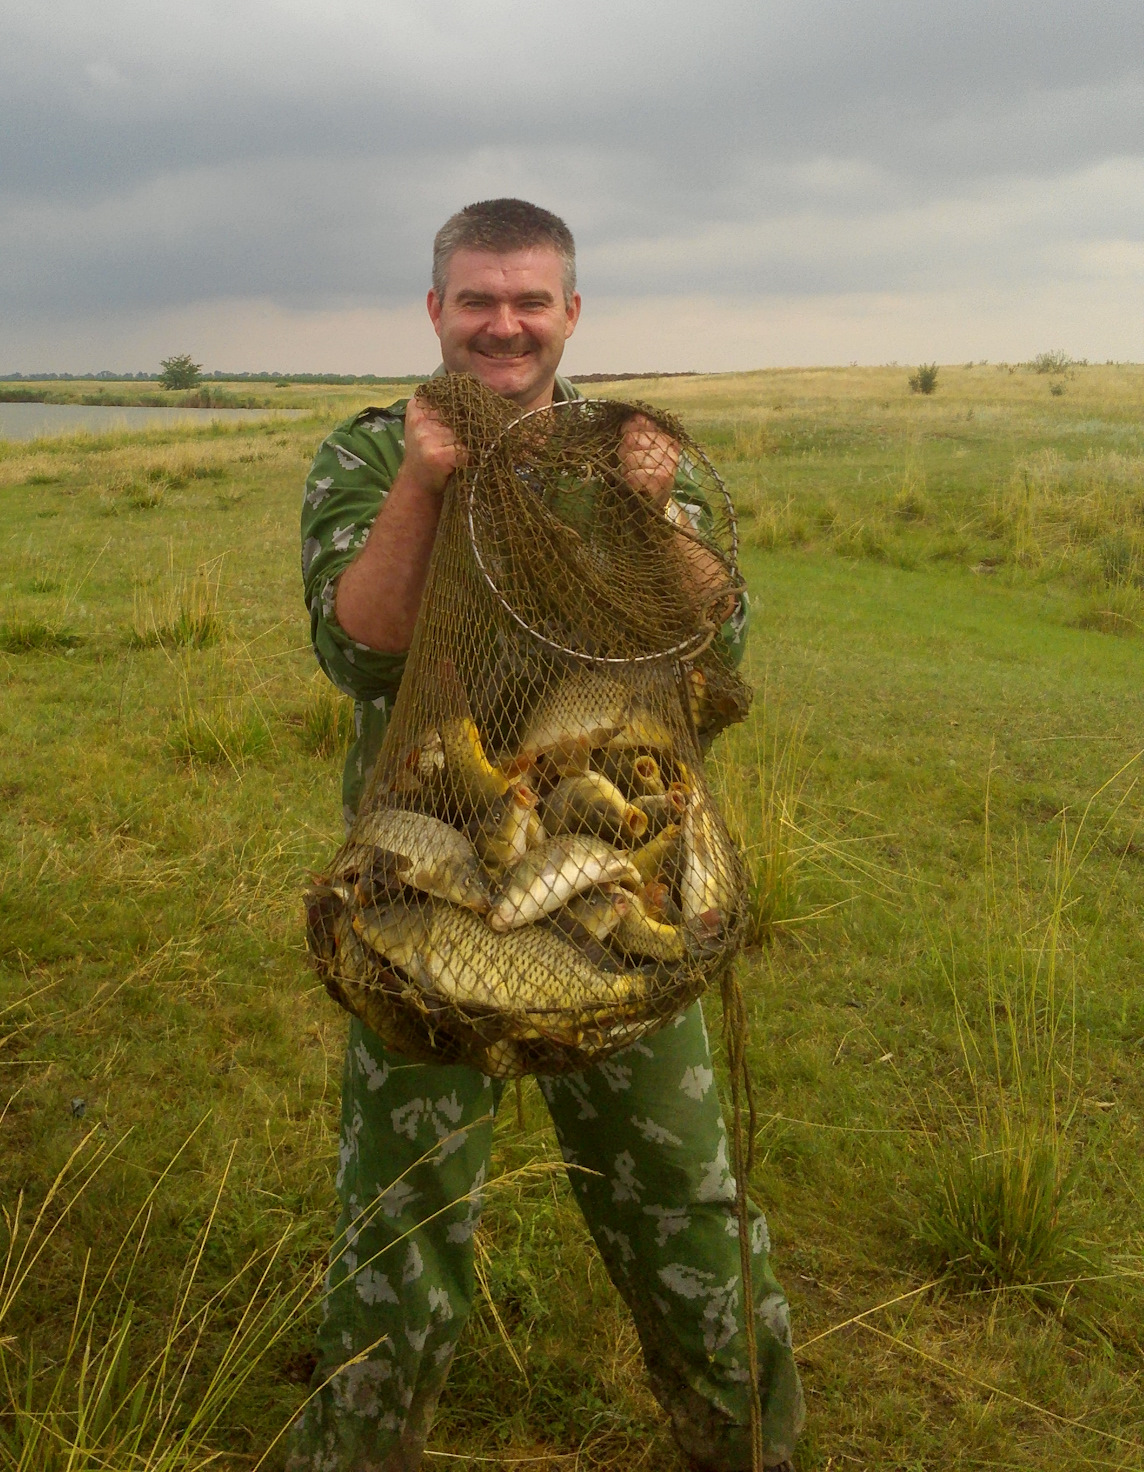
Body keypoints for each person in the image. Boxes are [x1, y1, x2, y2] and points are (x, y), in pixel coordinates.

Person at [291, 199, 804, 1472]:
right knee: (397, 1215)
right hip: (426, 878)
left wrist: (653, 515)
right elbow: (360, 651)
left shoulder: (632, 456)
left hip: (615, 881)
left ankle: (747, 1443)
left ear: (572, 313)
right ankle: (361, 1447)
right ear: (435, 313)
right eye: (476, 299)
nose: (502, 324)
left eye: (530, 300)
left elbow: (719, 644)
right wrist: (425, 481)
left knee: (684, 1195)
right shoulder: (368, 458)